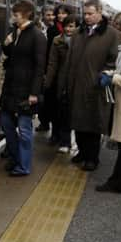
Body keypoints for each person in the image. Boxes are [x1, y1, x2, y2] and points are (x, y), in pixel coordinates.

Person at [67, 0, 119, 171]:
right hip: (77, 85)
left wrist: (104, 74)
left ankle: (92, 158)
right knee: (78, 123)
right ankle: (82, 152)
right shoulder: (78, 33)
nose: (87, 17)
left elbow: (114, 61)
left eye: (90, 13)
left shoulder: (111, 34)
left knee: (93, 125)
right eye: (85, 14)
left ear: (99, 12)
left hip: (96, 87)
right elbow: (70, 60)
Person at [0, 0, 46, 176]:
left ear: (26, 15)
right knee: (6, 125)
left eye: (16, 15)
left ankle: (23, 166)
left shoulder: (37, 36)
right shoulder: (15, 33)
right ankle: (15, 158)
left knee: (25, 130)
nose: (13, 17)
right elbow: (10, 56)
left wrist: (34, 92)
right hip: (10, 88)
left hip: (25, 90)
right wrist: (7, 43)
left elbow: (40, 66)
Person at [96, 19, 121, 193]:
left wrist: (113, 79)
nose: (120, 32)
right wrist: (110, 73)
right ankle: (118, 181)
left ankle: (117, 182)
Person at [44, 15, 79, 153]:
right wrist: (48, 82)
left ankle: (66, 141)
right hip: (61, 80)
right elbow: (52, 62)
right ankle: (60, 138)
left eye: (72, 26)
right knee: (60, 110)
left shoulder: (82, 41)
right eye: (66, 26)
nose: (68, 29)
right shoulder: (57, 40)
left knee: (69, 113)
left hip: (76, 81)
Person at [37, 5, 72, 136]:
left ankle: (64, 138)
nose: (60, 16)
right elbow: (49, 55)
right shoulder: (53, 31)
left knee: (64, 107)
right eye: (59, 14)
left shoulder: (77, 31)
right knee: (52, 104)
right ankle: (54, 132)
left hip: (67, 74)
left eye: (64, 13)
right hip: (53, 72)